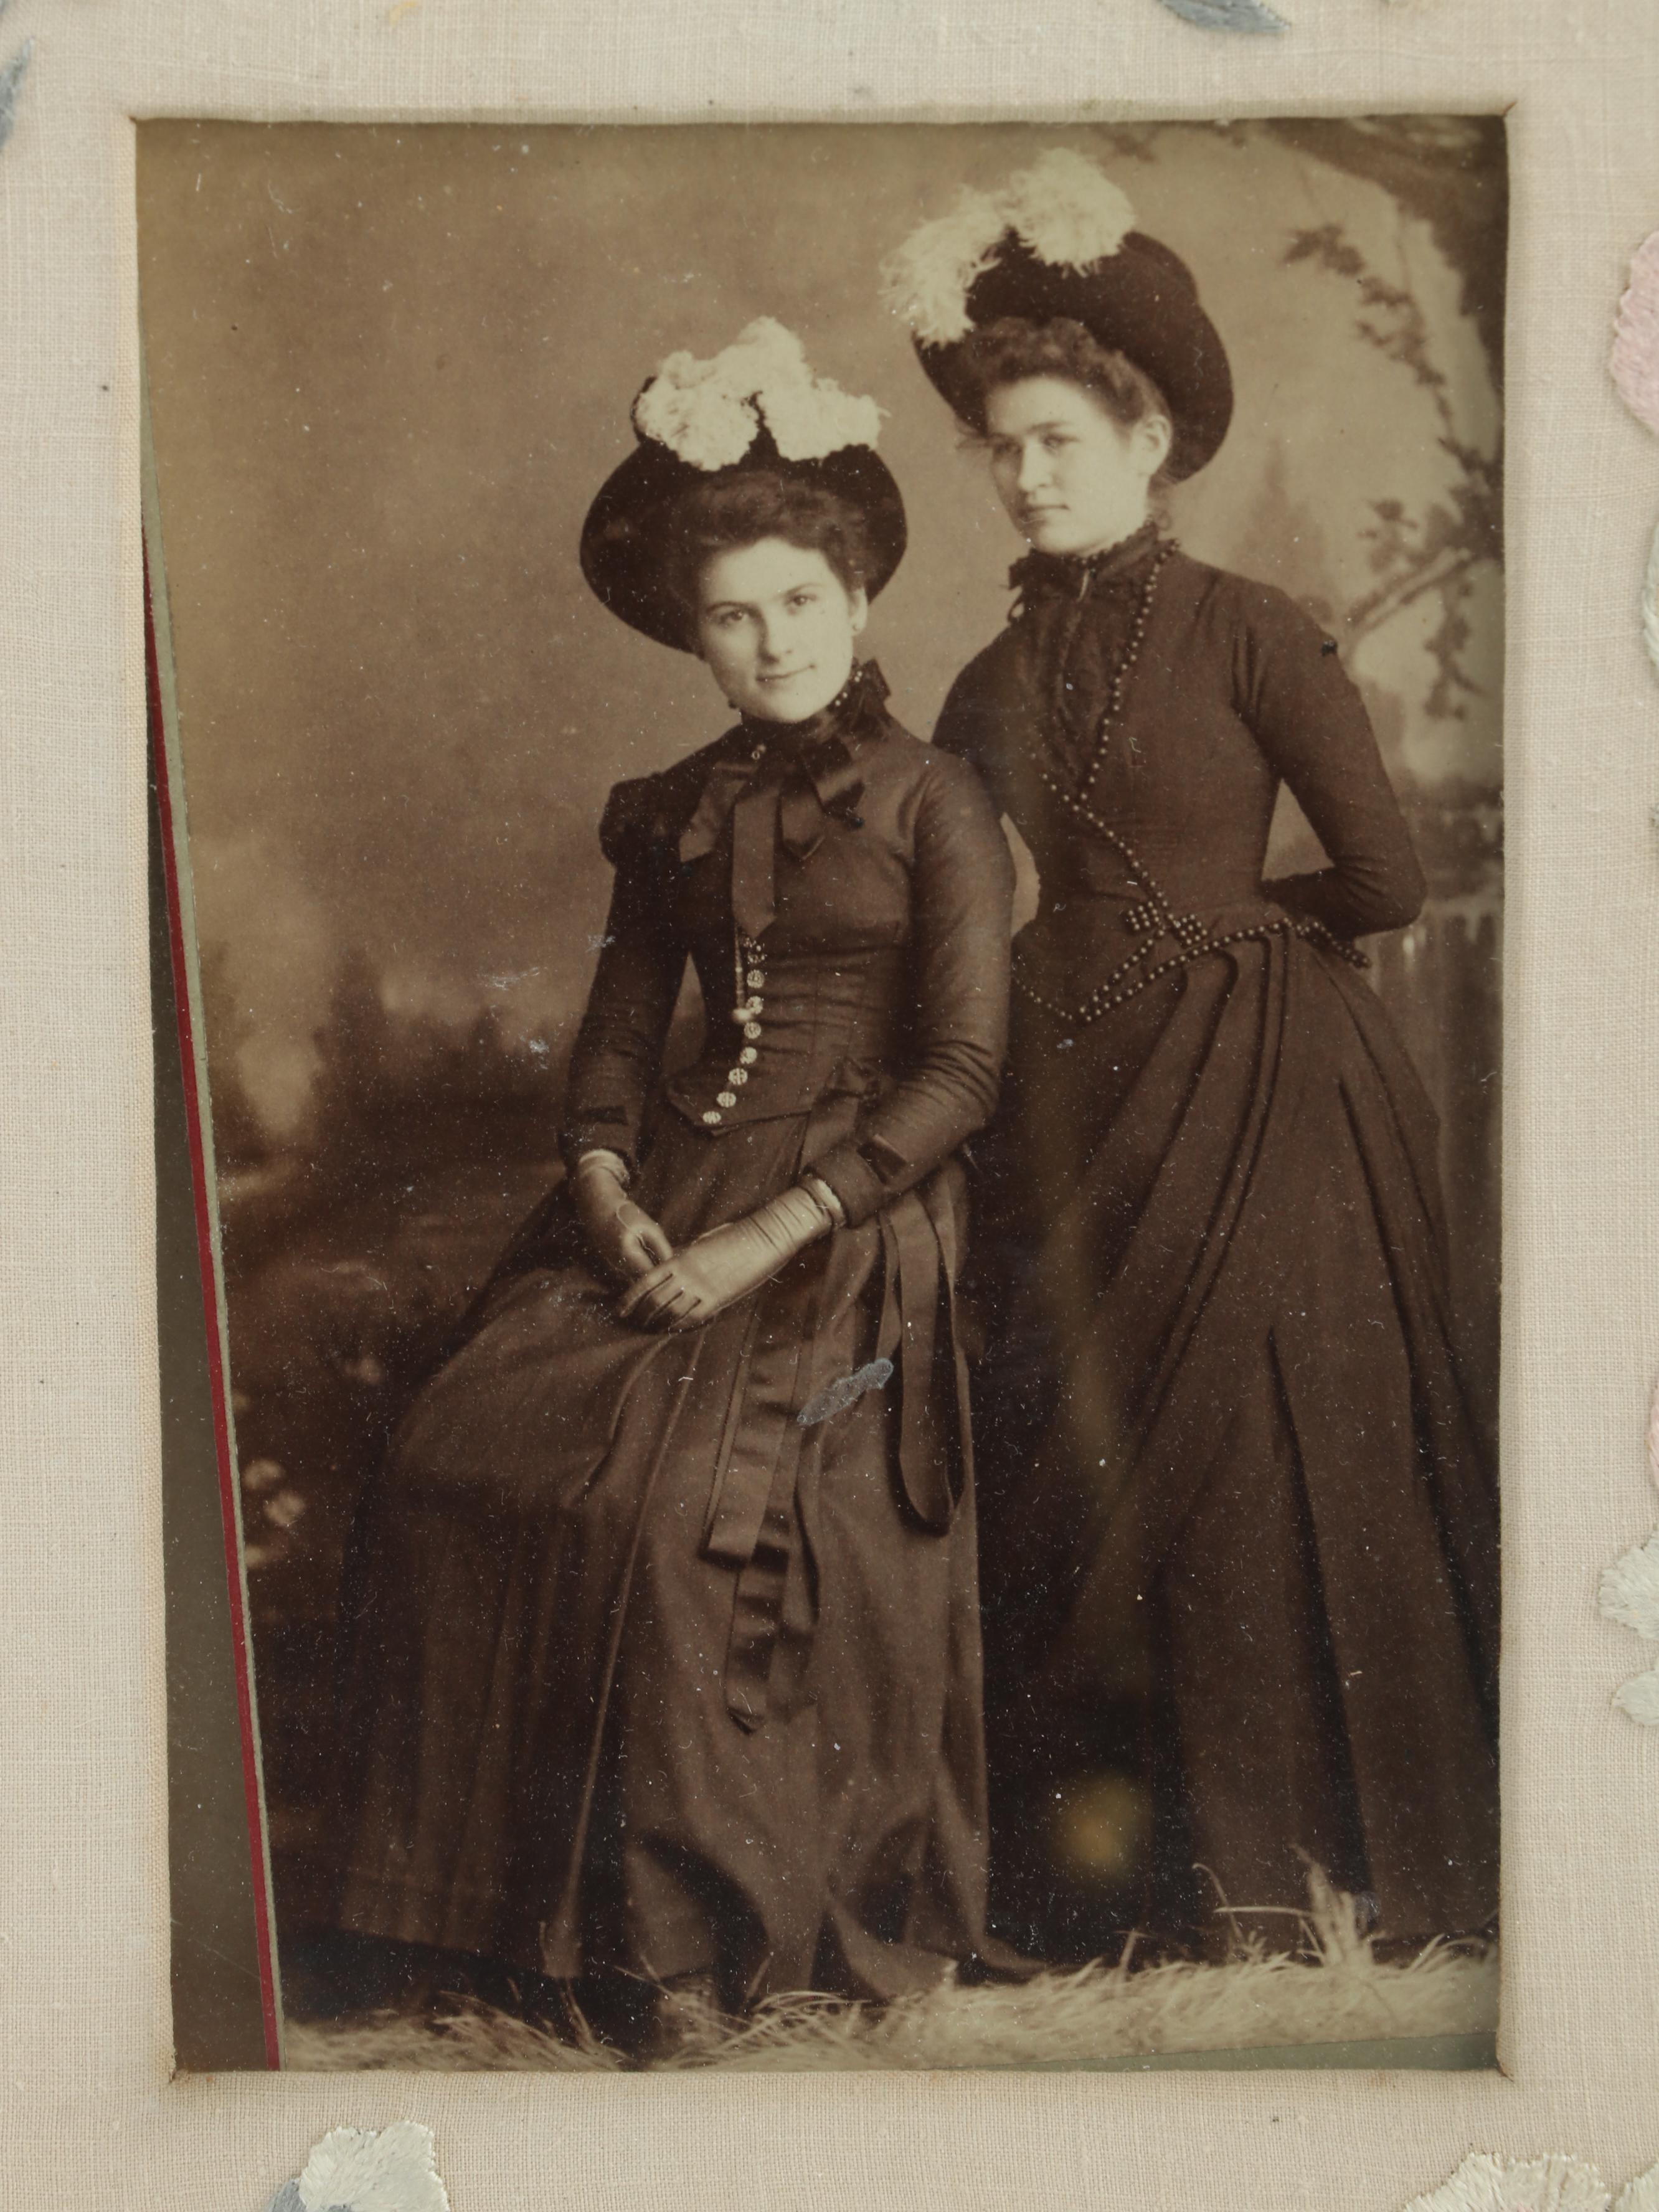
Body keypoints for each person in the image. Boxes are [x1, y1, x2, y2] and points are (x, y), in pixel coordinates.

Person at [331, 320, 1016, 2047]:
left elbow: (964, 1076)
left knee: (671, 1523)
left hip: (853, 1236)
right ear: (695, 637)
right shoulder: (670, 812)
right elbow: (621, 1036)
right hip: (674, 1193)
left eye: (800, 602)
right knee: (453, 1449)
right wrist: (614, 1187)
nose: (774, 640)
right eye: (735, 614)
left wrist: (773, 1232)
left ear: (854, 603)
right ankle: (498, 1923)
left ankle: (688, 1937)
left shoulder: (940, 803)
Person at [883, 152, 1499, 1962]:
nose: (1031, 470)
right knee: (1090, 1476)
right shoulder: (981, 689)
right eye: (1004, 445)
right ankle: (1124, 1905)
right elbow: (949, 905)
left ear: (1150, 443)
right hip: (1073, 1111)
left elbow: (1381, 878)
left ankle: (1308, 1892)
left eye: (1065, 436)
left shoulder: (1254, 628)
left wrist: (1225, 939)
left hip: (1272, 1099)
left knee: (1260, 1471)